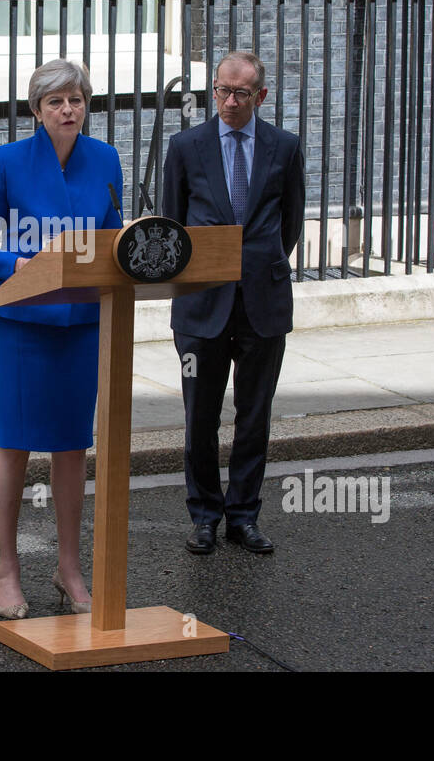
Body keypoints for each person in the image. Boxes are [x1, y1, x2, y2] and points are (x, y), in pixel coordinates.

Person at [0, 59, 124, 619]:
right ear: (36, 111)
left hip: (81, 323)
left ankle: (69, 568)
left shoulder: (105, 159)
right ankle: (7, 569)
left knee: (71, 443)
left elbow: (112, 241)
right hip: (20, 322)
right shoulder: (7, 161)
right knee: (14, 441)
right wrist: (17, 262)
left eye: (76, 100)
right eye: (55, 102)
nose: (68, 110)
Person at [163, 51, 305, 555]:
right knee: (199, 414)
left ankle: (243, 516)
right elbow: (172, 224)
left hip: (262, 300)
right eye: (221, 90)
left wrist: (257, 265)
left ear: (260, 96)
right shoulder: (186, 147)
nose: (227, 100)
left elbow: (290, 224)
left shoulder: (284, 148)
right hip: (202, 303)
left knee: (254, 415)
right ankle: (203, 515)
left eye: (240, 93)